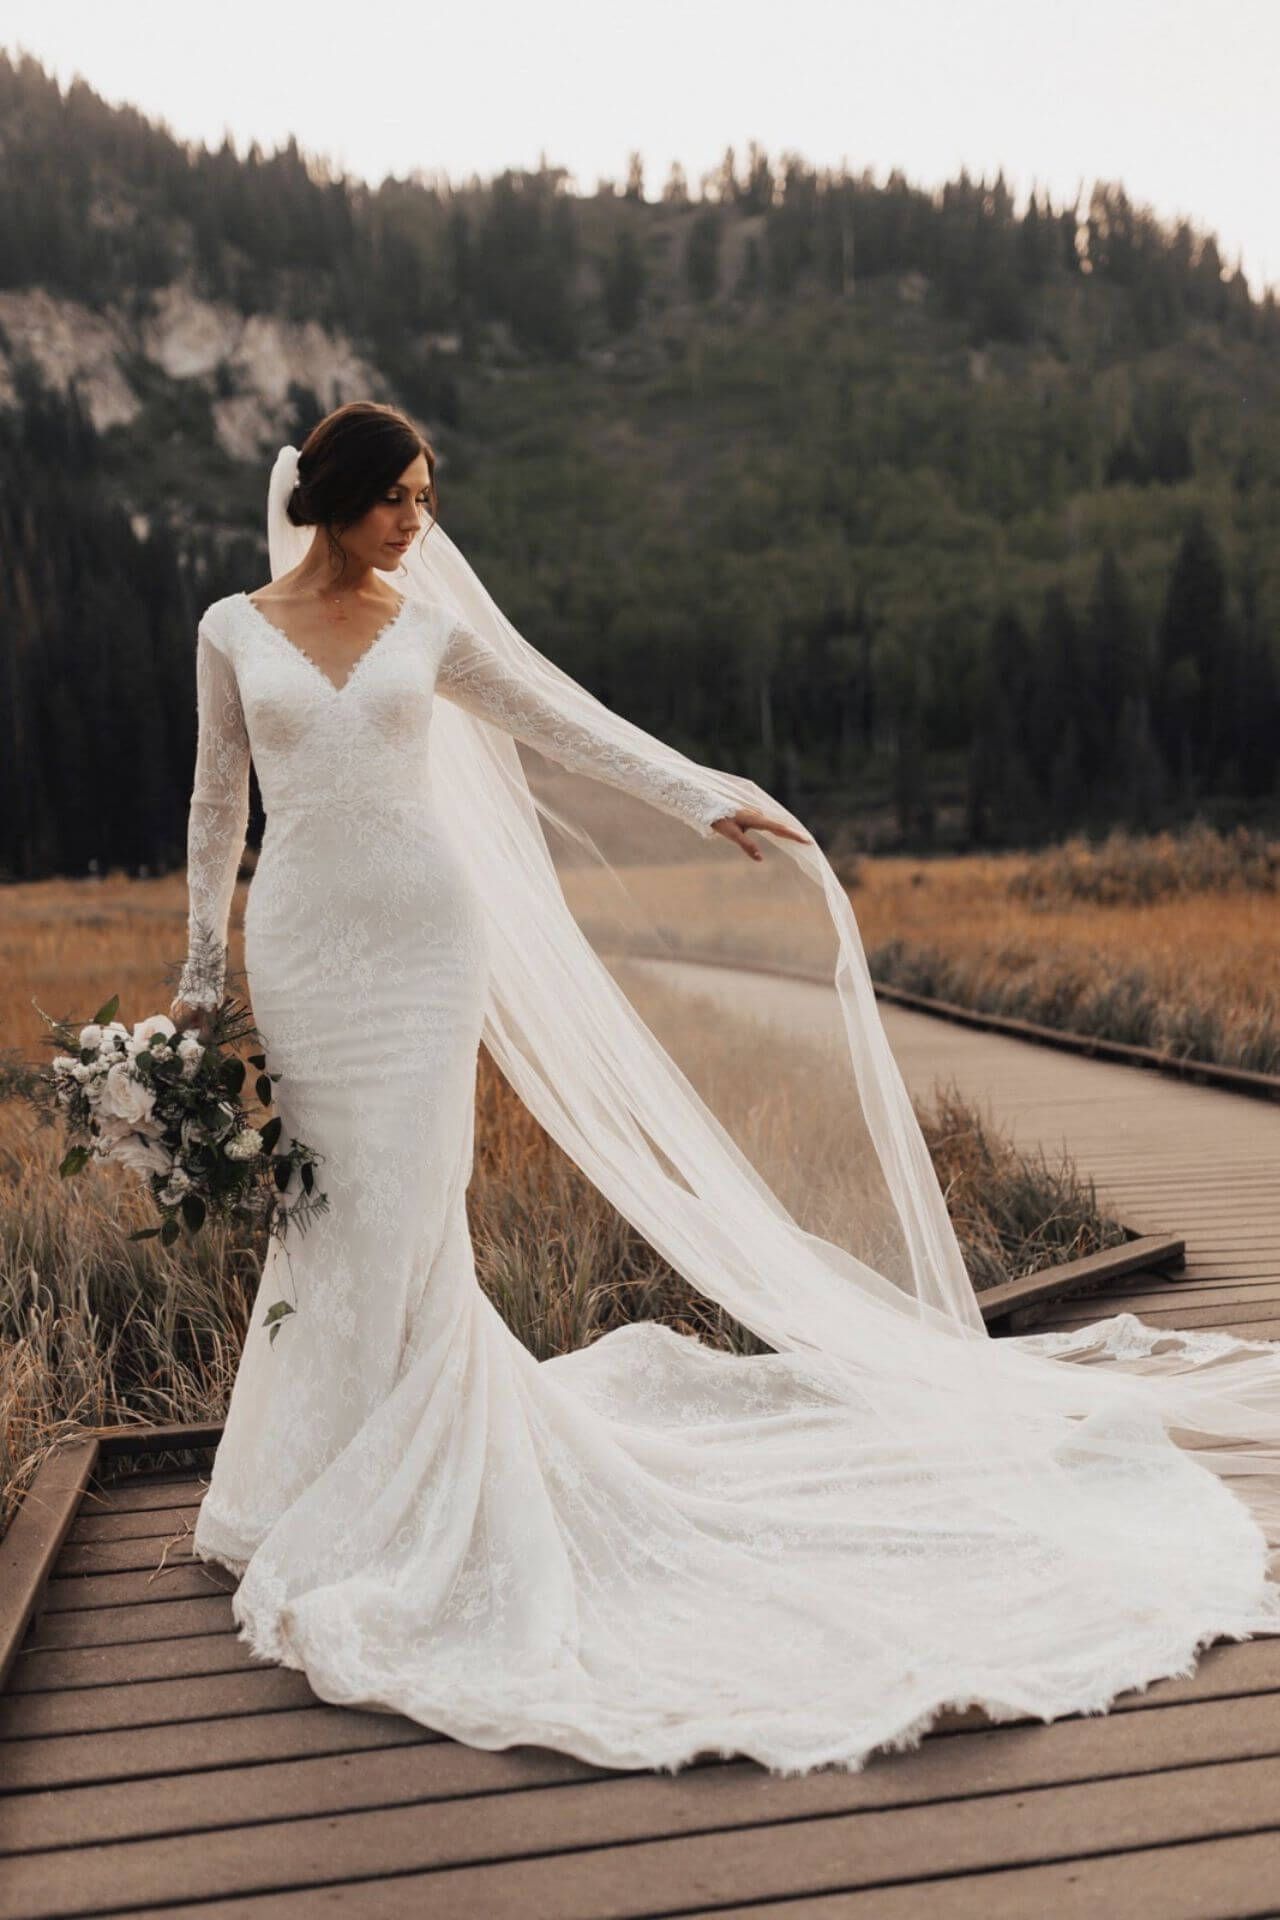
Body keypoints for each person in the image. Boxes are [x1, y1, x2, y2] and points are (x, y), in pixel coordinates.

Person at [170, 400, 1280, 1777]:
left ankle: (406, 1490)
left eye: (427, 494)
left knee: (408, 1199)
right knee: (324, 1212)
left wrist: (708, 793)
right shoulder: (231, 629)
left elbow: (570, 723)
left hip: (423, 943)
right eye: (398, 495)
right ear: (331, 497)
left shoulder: (428, 629)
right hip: (303, 952)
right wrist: (199, 979)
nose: (419, 519)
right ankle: (307, 1481)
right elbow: (222, 808)